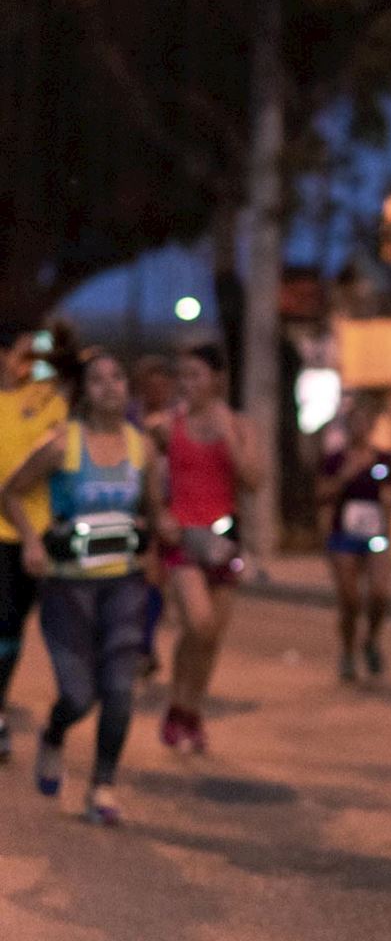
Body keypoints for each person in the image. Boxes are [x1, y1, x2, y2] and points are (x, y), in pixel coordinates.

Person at [0, 350, 163, 824]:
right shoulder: (61, 445)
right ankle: (53, 735)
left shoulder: (143, 448)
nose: (110, 386)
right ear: (85, 394)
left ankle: (103, 787)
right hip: (69, 591)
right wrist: (31, 541)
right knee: (78, 694)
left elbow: (153, 508)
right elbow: (10, 489)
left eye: (117, 377)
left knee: (119, 689)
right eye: (98, 380)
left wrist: (159, 530)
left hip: (123, 587)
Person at [150, 343, 264, 753]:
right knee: (197, 623)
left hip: (223, 540)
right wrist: (159, 514)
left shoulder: (240, 426)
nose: (188, 384)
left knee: (212, 636)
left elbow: (253, 481)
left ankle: (190, 713)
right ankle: (176, 703)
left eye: (196, 375)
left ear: (217, 379)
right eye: (184, 376)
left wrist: (228, 434)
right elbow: (146, 473)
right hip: (182, 538)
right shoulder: (167, 424)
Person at [0, 327, 69, 763]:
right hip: (0, 534)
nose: (21, 360)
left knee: (15, 629)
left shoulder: (48, 400)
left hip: (37, 532)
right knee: (3, 623)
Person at [317, 395, 391, 682]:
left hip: (375, 534)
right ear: (348, 427)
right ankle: (348, 651)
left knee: (380, 593)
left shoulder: (384, 458)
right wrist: (344, 478)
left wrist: (389, 506)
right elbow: (321, 495)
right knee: (349, 600)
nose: (360, 428)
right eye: (355, 423)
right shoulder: (335, 459)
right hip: (344, 534)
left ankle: (371, 640)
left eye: (365, 422)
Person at [129, 354, 177, 680]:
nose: (157, 390)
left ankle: (145, 646)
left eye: (163, 384)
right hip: (134, 507)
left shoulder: (178, 419)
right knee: (138, 579)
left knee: (157, 579)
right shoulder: (129, 417)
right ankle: (136, 644)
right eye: (151, 384)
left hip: (168, 507)